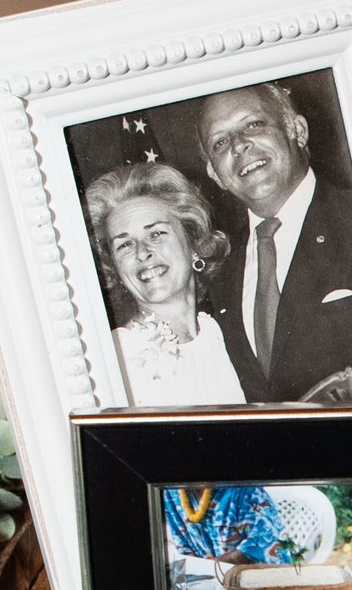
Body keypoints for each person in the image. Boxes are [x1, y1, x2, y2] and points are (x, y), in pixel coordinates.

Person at [193, 80, 352, 403]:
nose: (238, 146)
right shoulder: (218, 275)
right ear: (214, 173)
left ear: (298, 131)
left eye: (254, 124)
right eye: (220, 142)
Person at [82, 159, 245, 406]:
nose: (142, 252)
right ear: (114, 267)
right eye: (124, 244)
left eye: (156, 233)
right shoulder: (115, 357)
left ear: (194, 244)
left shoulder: (219, 332)